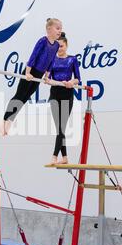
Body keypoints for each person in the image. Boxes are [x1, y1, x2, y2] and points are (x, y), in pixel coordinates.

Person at [0, 18, 63, 135]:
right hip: (31, 71)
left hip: (39, 75)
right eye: (57, 28)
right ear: (49, 29)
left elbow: (51, 61)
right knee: (19, 95)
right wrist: (27, 73)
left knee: (26, 97)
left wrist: (47, 76)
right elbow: (33, 56)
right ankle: (4, 119)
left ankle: (10, 119)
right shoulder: (42, 41)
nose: (60, 31)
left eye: (61, 29)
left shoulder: (56, 46)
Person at [45, 32, 80, 165]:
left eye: (62, 46)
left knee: (61, 127)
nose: (59, 48)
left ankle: (55, 156)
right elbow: (47, 76)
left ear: (66, 45)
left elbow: (78, 78)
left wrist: (72, 82)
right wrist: (47, 80)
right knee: (59, 128)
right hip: (54, 93)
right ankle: (64, 157)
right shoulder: (51, 60)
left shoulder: (72, 59)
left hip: (67, 94)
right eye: (57, 46)